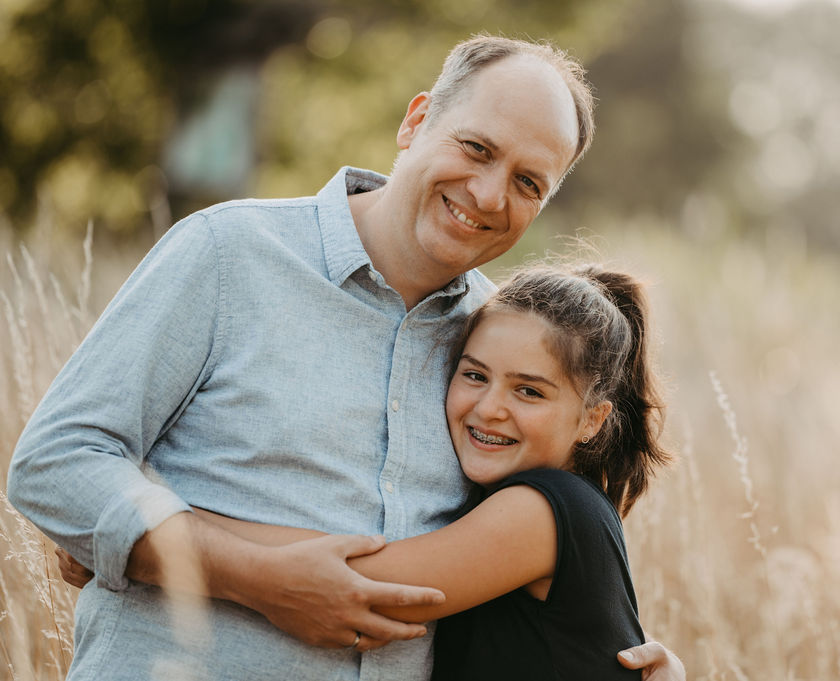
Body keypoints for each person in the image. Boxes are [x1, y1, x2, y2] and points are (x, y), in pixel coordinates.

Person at [8, 34, 683, 680]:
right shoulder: (228, 253)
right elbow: (54, 462)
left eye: (529, 183)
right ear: (416, 121)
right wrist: (232, 570)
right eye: (476, 148)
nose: (488, 194)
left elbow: (543, 561)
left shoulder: (496, 336)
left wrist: (633, 658)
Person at [61, 263, 683, 680]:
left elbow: (360, 579)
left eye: (530, 391)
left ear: (593, 420)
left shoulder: (546, 511)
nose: (490, 406)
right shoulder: (524, 502)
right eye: (474, 374)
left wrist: (151, 532)